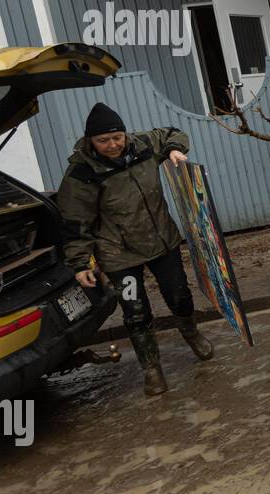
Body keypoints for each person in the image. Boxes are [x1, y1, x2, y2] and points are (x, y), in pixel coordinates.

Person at [57, 102, 213, 396]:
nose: (113, 145)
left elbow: (172, 133)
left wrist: (174, 150)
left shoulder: (143, 145)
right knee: (136, 310)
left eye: (117, 137)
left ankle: (192, 334)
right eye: (103, 140)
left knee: (179, 296)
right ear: (90, 140)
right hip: (119, 255)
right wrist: (79, 264)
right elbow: (75, 223)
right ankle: (151, 368)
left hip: (161, 240)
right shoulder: (81, 175)